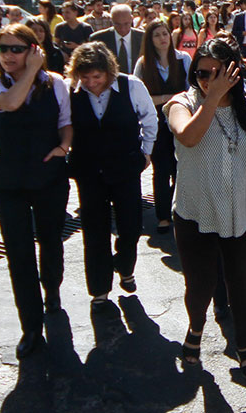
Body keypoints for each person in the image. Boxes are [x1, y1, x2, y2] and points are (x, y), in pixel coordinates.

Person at [165, 39, 246, 380]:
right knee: (200, 285)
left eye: (217, 73)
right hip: (195, 212)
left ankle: (244, 345)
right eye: (202, 73)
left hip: (241, 212)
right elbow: (188, 137)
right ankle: (196, 329)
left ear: (234, 70)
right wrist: (213, 97)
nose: (208, 80)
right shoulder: (182, 103)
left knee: (239, 283)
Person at [0, 24, 71, 359]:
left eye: (17, 49)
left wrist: (64, 147)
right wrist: (30, 71)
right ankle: (30, 325)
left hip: (48, 175)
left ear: (34, 49)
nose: (8, 55)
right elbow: (10, 104)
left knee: (50, 240)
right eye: (4, 48)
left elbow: (65, 121)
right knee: (18, 254)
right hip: (8, 180)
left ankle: (53, 290)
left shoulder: (56, 82)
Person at [67, 42, 157, 311]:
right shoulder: (71, 91)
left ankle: (125, 266)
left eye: (97, 77)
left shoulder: (131, 86)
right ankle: (99, 288)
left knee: (130, 226)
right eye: (85, 78)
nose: (92, 83)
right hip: (89, 170)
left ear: (108, 71)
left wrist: (146, 152)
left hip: (125, 166)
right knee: (94, 231)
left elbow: (149, 118)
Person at [135, 20, 191, 233]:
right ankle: (162, 216)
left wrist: (171, 100)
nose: (163, 38)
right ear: (150, 40)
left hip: (180, 120)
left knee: (181, 167)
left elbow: (190, 90)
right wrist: (168, 97)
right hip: (156, 123)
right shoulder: (143, 64)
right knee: (161, 169)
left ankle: (181, 209)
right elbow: (141, 98)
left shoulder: (182, 59)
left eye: (165, 33)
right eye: (157, 35)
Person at [89, 4, 145, 74]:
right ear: (111, 20)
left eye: (126, 24)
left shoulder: (143, 37)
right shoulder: (98, 39)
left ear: (132, 19)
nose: (122, 28)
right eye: (117, 24)